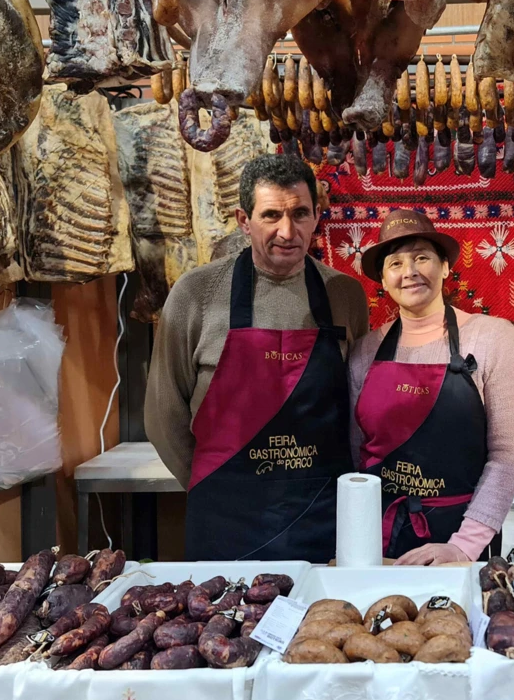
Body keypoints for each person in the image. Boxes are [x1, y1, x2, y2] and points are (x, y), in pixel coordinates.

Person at [146, 154, 369, 562]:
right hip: (225, 519)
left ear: (318, 216)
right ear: (243, 220)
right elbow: (164, 415)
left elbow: (359, 406)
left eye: (301, 213)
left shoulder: (345, 295)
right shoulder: (196, 293)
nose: (288, 231)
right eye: (271, 215)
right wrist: (210, 484)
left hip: (321, 517)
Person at [348, 210, 514, 565]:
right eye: (395, 263)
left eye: (421, 257)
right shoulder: (365, 351)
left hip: (460, 539)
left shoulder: (492, 337)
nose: (410, 272)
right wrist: (360, 540)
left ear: (445, 267)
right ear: (383, 280)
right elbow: (357, 456)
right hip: (381, 540)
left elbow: (507, 458)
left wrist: (463, 546)